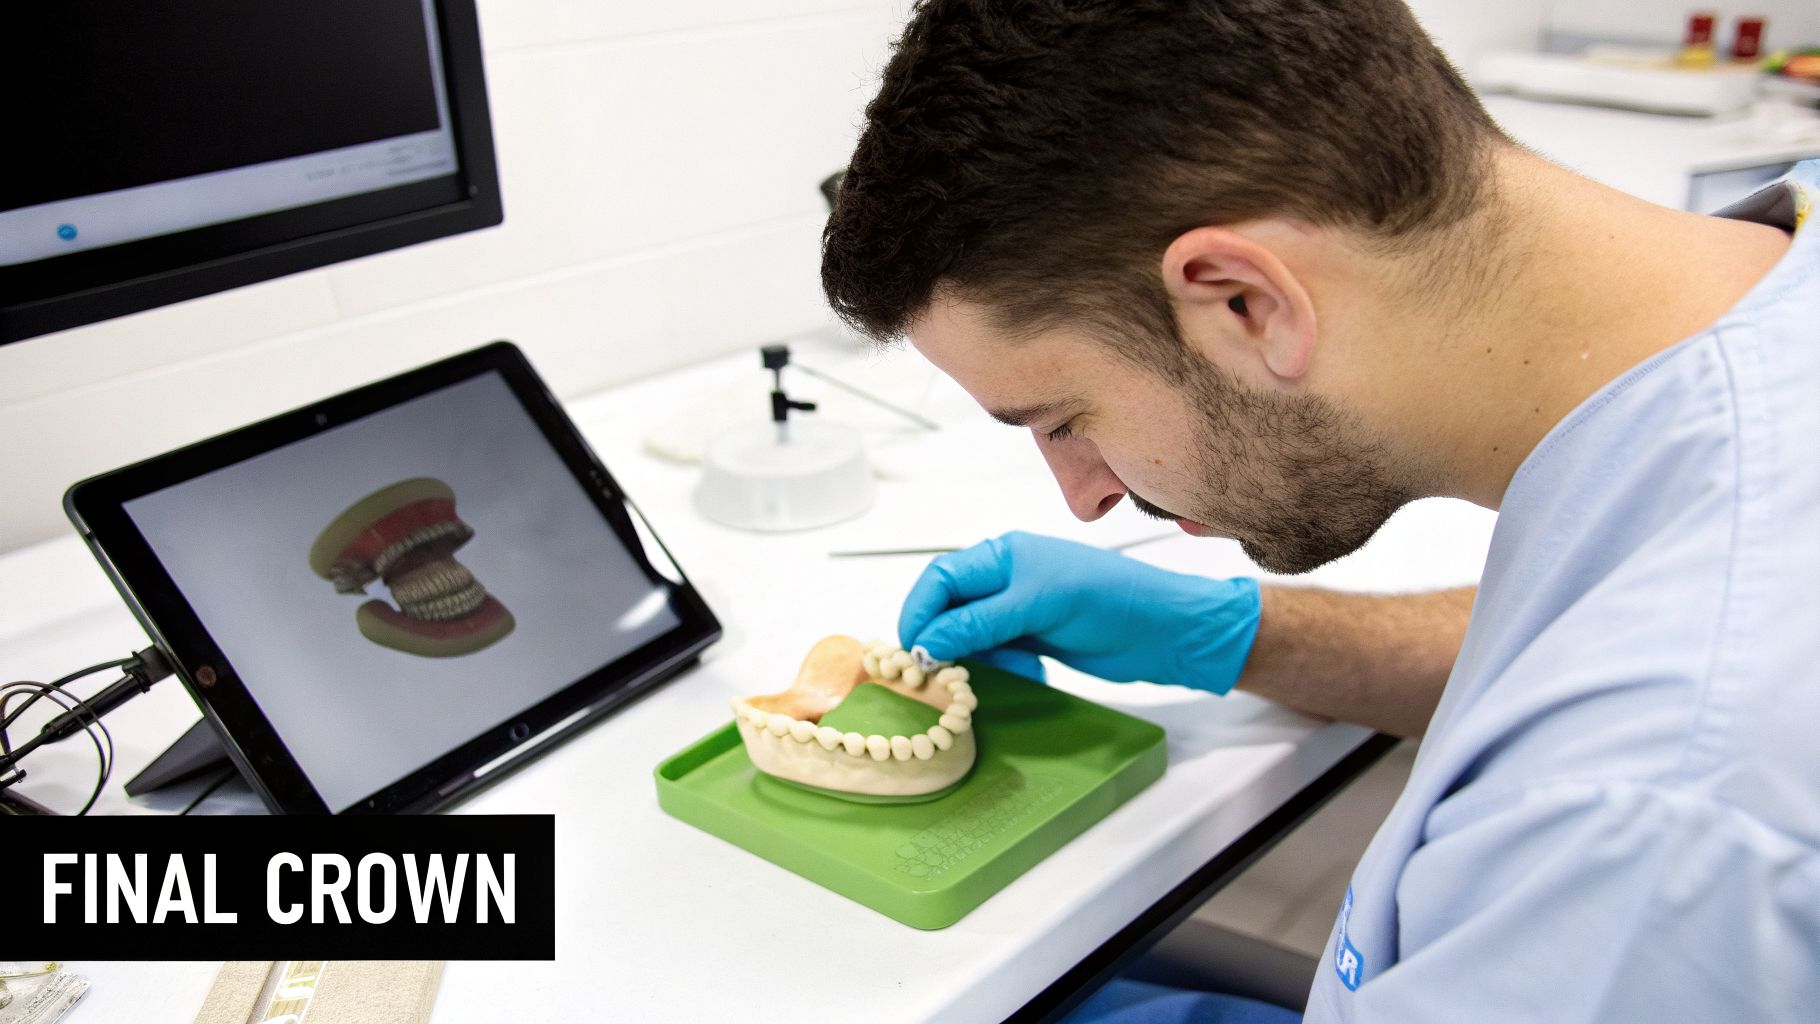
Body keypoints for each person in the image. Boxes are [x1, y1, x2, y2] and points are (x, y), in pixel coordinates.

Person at [820, 1, 1820, 1021]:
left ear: (1244, 302)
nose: (1085, 499)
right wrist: (1244, 635)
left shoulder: (1645, 821)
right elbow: (1583, 641)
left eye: (1064, 420)